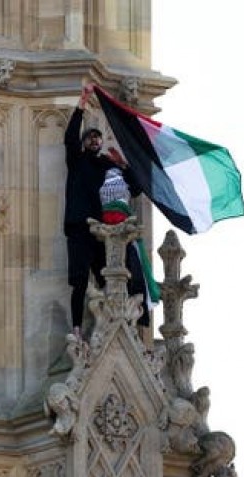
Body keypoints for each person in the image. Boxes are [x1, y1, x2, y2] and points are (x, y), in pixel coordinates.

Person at [63, 84, 151, 338]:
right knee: (78, 281)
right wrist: (81, 104)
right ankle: (77, 329)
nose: (94, 139)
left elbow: (135, 188)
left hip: (103, 231)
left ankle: (121, 328)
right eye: (90, 137)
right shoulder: (77, 161)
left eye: (97, 137)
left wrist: (123, 165)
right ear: (84, 142)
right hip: (80, 227)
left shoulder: (106, 165)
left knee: (112, 279)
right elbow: (69, 138)